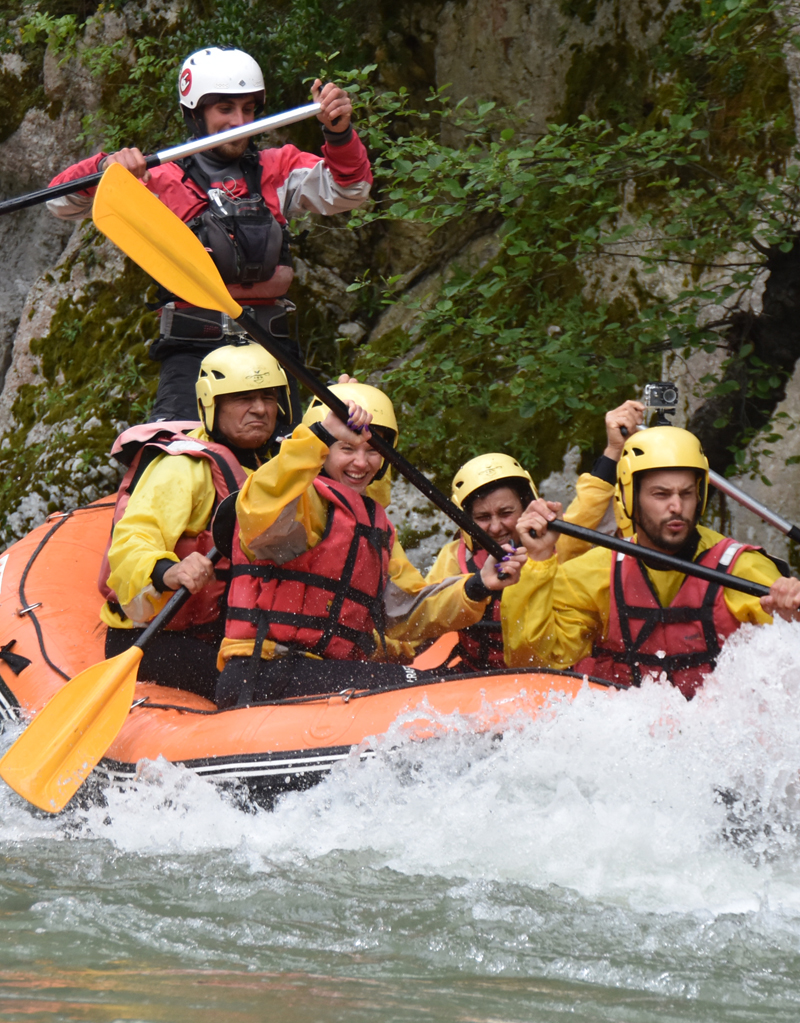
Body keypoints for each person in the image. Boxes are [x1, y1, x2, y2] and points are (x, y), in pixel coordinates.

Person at [47, 46, 372, 423]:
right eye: (225, 109)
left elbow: (350, 191)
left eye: (248, 109)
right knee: (176, 464)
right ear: (196, 114)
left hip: (271, 349)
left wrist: (339, 132)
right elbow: (60, 203)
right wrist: (105, 166)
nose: (239, 120)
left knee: (288, 470)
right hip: (193, 353)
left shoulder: (278, 166)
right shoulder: (156, 178)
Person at [215, 382, 528, 707]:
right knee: (423, 689)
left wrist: (478, 585)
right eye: (347, 448)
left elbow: (405, 611)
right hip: (263, 672)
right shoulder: (301, 501)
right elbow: (260, 509)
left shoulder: (374, 526)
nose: (361, 463)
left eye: (373, 450)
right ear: (323, 447)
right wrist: (319, 434)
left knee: (436, 683)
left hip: (325, 670)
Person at [501, 426, 800, 699]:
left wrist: (791, 620)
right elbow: (533, 660)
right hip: (630, 734)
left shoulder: (743, 567)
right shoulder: (594, 572)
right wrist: (538, 561)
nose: (676, 506)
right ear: (629, 498)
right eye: (661, 494)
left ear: (700, 496)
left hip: (720, 732)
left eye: (686, 493)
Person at [99, 341, 293, 699]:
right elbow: (131, 541)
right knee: (267, 686)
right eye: (242, 399)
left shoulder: (277, 465)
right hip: (156, 639)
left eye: (268, 397)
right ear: (211, 404)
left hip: (232, 635)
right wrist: (166, 571)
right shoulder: (183, 468)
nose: (260, 409)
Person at [424, 400, 644, 671]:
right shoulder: (453, 559)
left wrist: (614, 449)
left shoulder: (553, 545)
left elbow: (589, 505)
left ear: (527, 505)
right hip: (475, 676)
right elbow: (426, 612)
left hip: (542, 673)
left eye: (506, 512)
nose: (495, 527)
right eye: (482, 517)